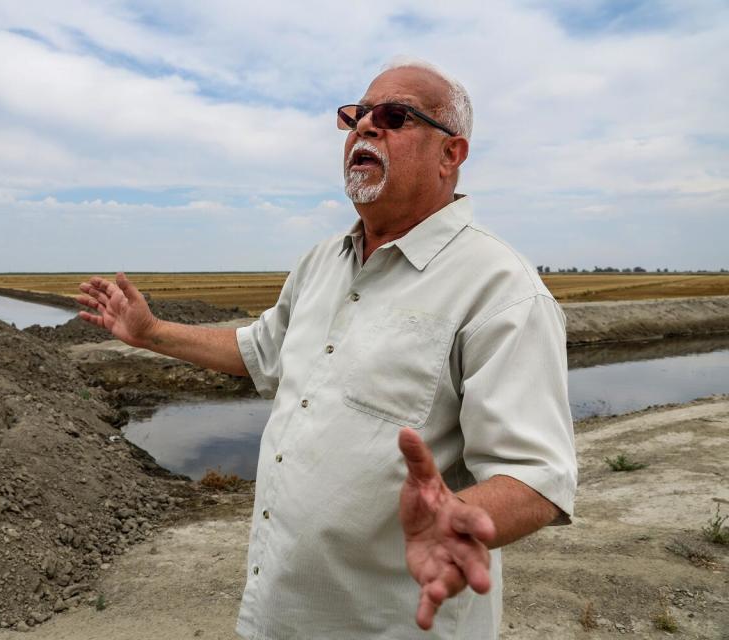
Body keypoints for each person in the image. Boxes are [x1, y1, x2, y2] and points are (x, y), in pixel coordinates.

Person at [77, 58, 577, 639]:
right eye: (356, 115)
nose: (366, 127)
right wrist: (151, 333)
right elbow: (261, 351)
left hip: (393, 624)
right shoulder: (320, 263)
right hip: (278, 613)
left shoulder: (501, 289)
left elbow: (537, 476)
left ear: (452, 155)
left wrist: (462, 518)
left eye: (395, 116)